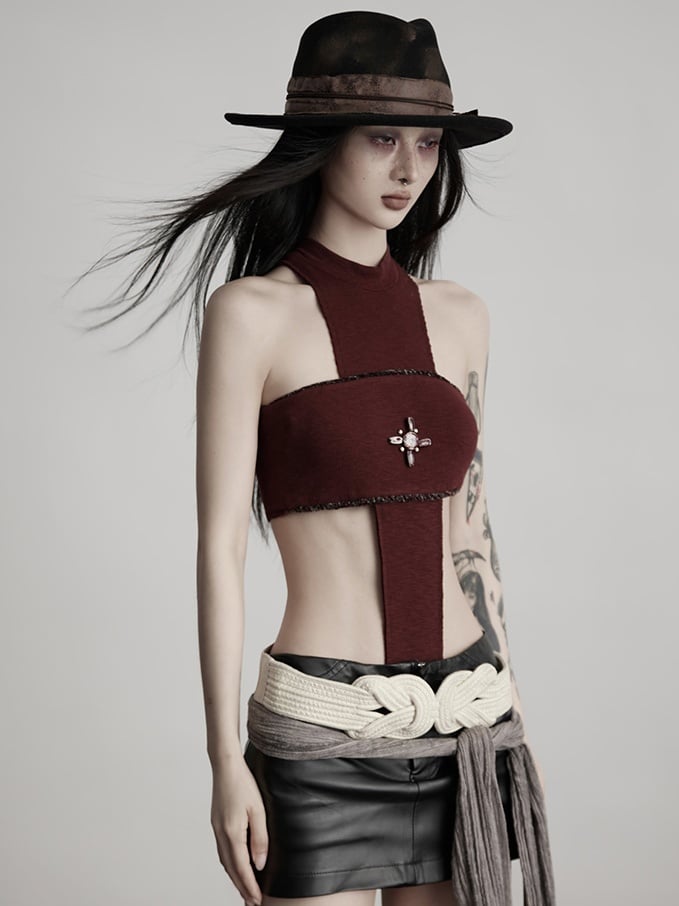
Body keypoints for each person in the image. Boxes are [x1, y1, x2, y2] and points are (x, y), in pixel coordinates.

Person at [71, 10, 556, 906]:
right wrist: (223, 762)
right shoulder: (251, 314)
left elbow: (471, 529)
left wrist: (512, 706)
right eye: (381, 139)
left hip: (467, 718)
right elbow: (219, 547)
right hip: (321, 730)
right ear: (319, 143)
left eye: (427, 143)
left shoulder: (460, 316)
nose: (409, 168)